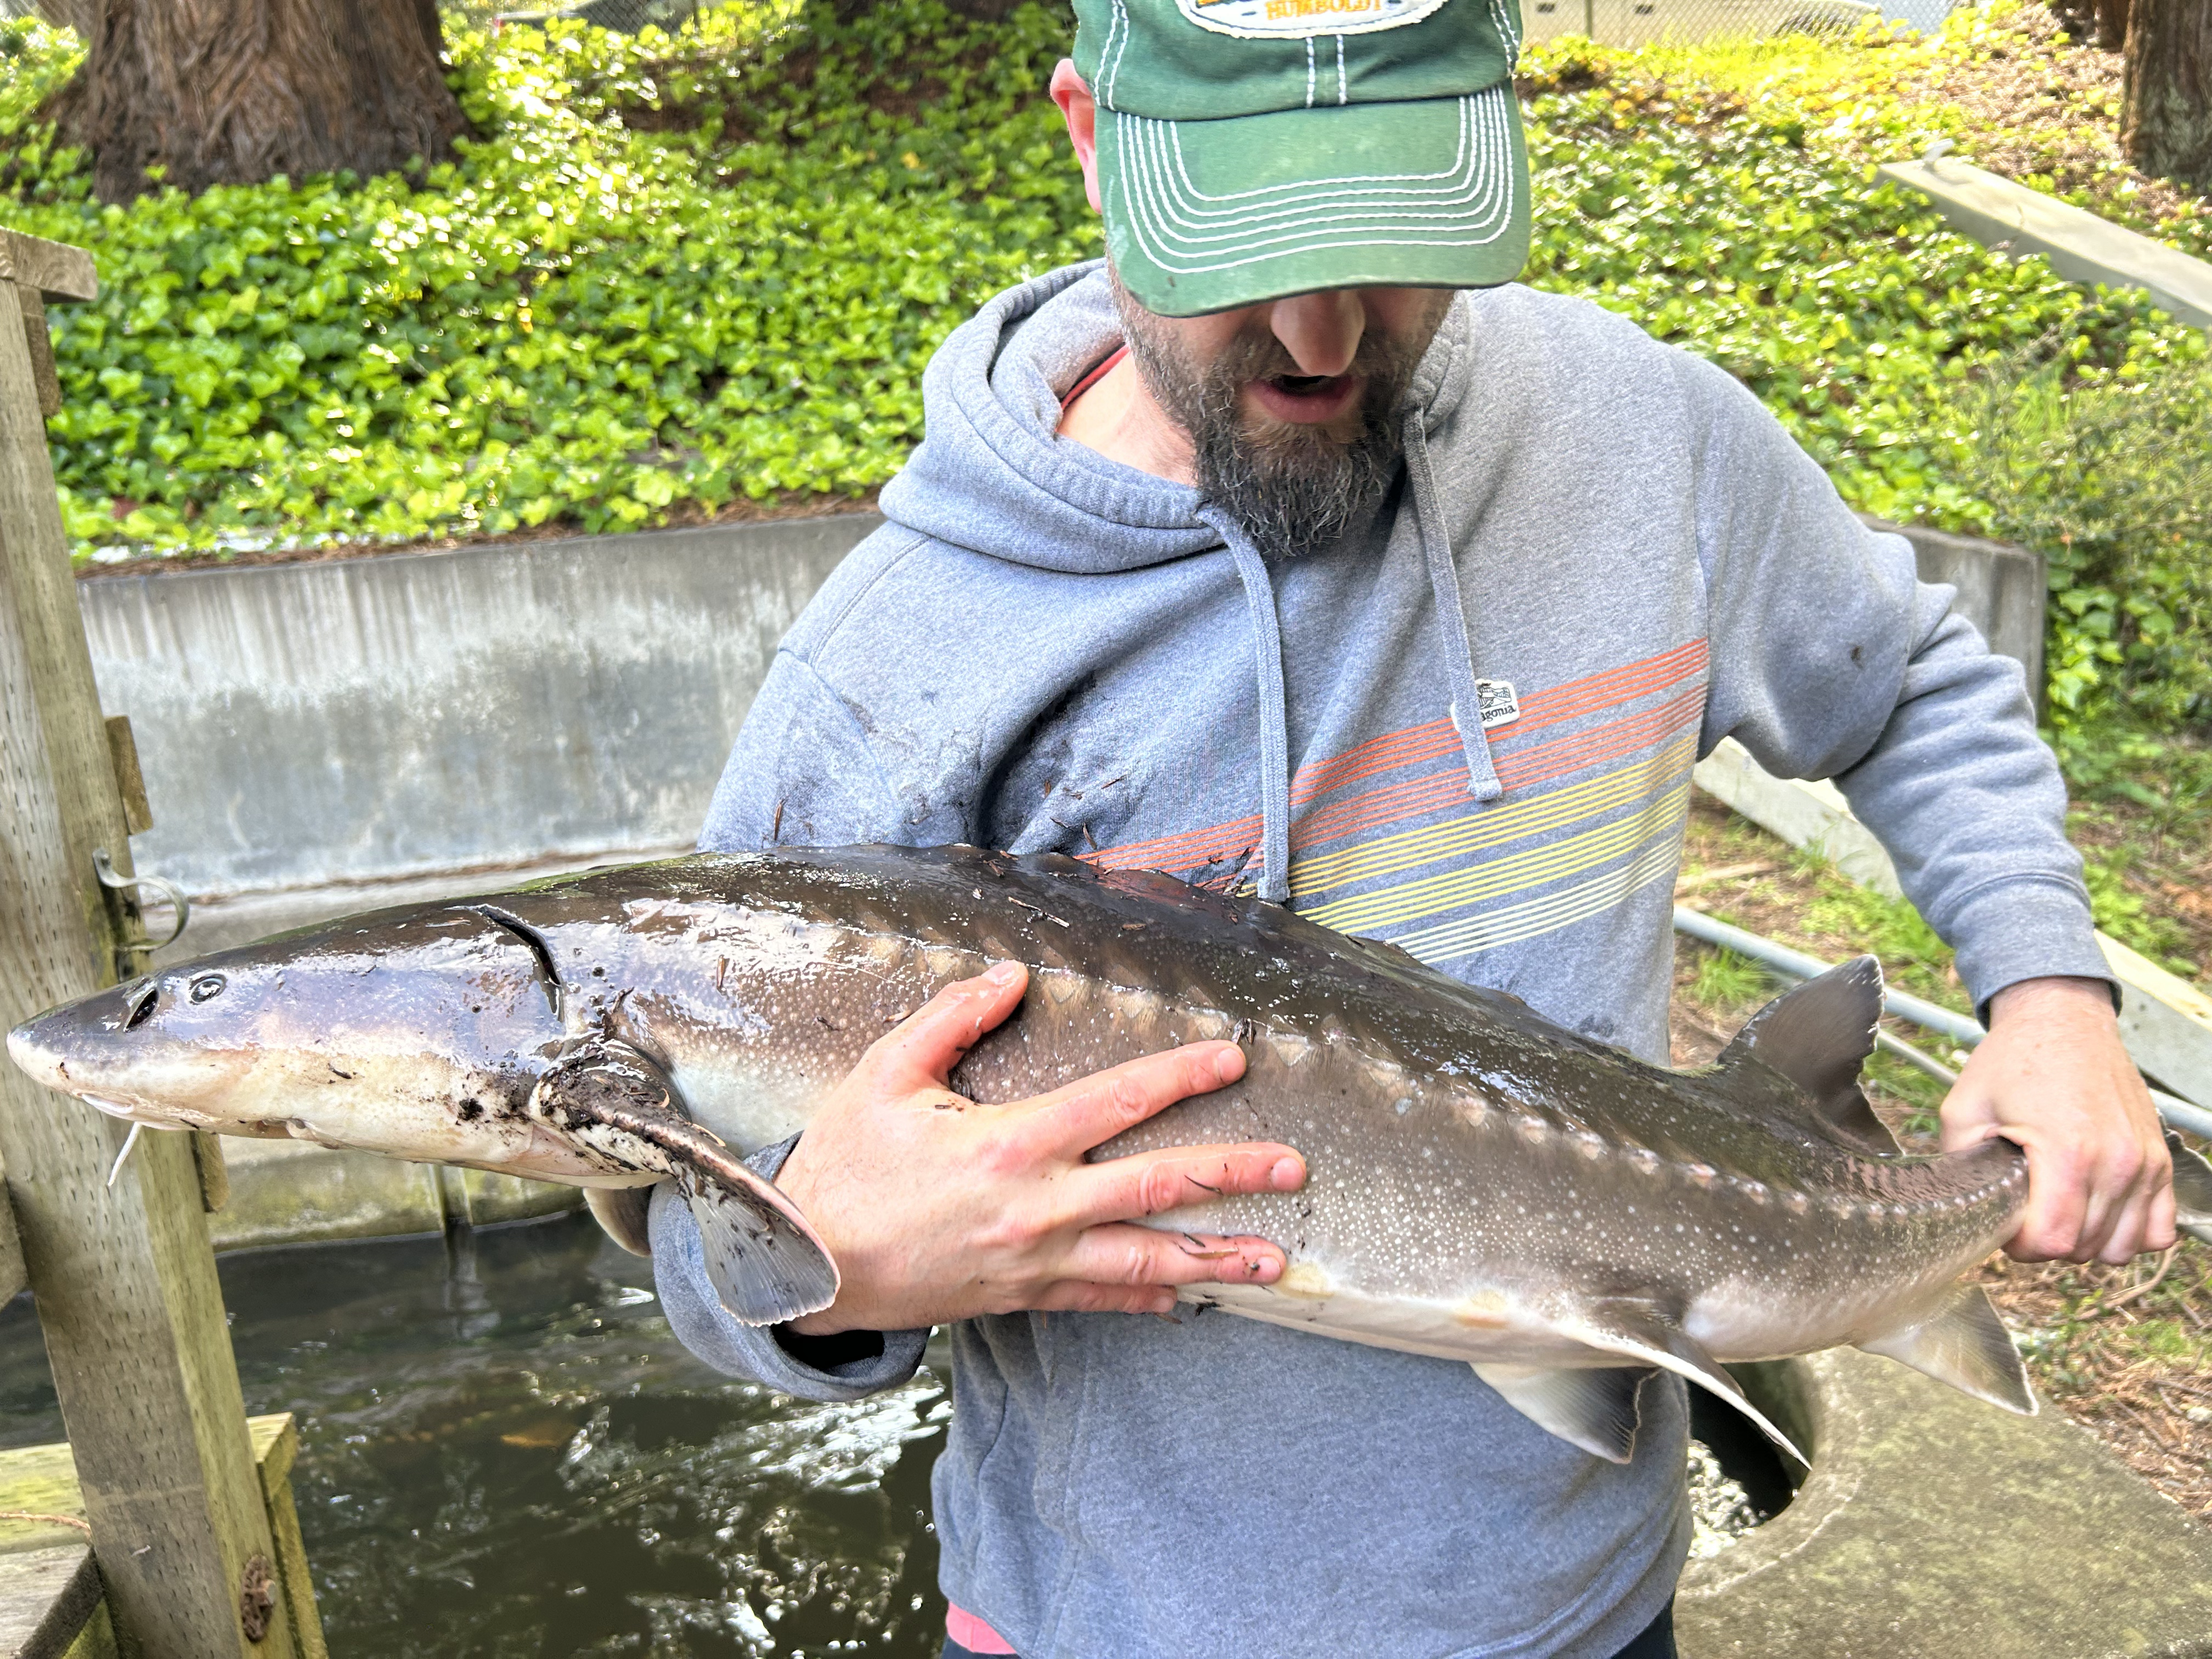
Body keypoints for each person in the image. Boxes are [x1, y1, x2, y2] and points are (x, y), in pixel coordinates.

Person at [645, 0, 2176, 1651]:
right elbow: (687, 1226)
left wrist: (2050, 994)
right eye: (1246, 240)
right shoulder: (896, 670)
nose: (1321, 334)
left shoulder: (1635, 436)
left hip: (1595, 1610)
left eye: (1392, 238)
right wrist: (818, 1271)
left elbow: (1910, 684)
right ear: (1093, 142)